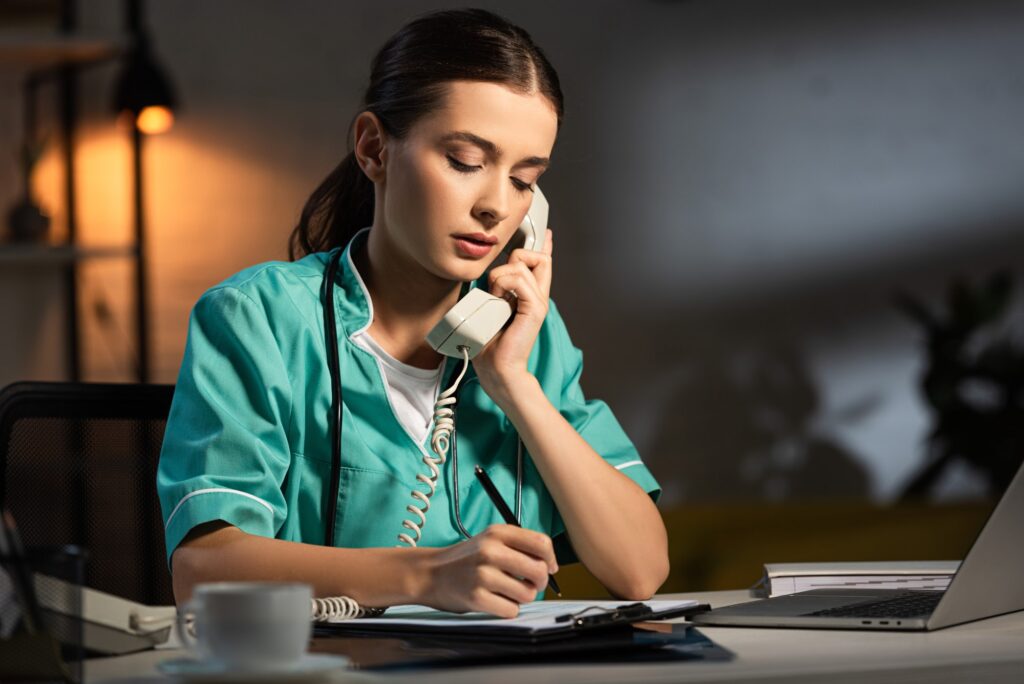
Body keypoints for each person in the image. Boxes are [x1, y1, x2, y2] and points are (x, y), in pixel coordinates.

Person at [157, 8, 668, 618]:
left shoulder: (526, 331)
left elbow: (639, 570)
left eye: (525, 180)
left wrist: (513, 385)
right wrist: (427, 574)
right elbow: (201, 571)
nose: (496, 207)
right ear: (374, 148)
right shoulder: (257, 319)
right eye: (465, 162)